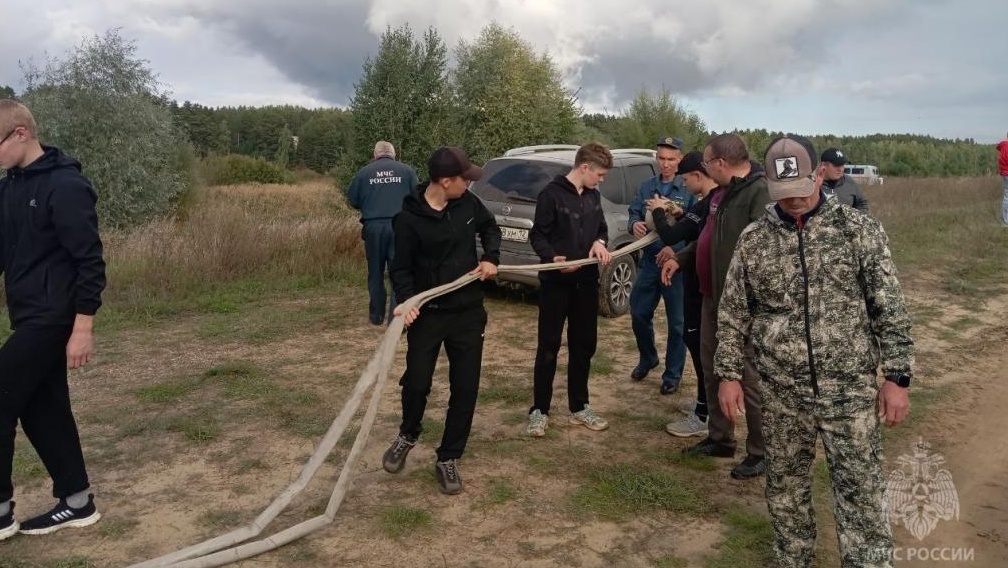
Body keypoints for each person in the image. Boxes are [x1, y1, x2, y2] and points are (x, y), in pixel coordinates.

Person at [715, 135, 914, 567]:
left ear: (819, 175)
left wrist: (897, 378)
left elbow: (889, 307)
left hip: (849, 393)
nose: (795, 202)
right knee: (786, 492)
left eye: (802, 190)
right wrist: (728, 374)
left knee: (861, 493)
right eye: (783, 195)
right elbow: (733, 313)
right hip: (782, 395)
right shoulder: (754, 240)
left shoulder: (858, 230)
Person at [0, 100, 105, 539]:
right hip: (27, 315)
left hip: (54, 316)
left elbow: (90, 262)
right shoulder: (7, 188)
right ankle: (77, 502)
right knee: (44, 409)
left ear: (20, 134)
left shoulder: (66, 186)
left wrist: (83, 328)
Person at [381, 147, 500, 496]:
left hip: (467, 311)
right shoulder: (408, 219)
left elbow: (490, 227)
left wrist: (491, 257)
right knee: (416, 382)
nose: (469, 184)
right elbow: (400, 268)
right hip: (429, 313)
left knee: (466, 387)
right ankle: (408, 434)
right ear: (445, 181)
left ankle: (449, 457)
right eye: (465, 179)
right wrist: (406, 301)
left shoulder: (467, 204)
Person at [660, 133, 768, 480]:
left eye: (706, 163)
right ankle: (720, 438)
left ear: (720, 164)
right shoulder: (720, 194)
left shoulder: (758, 193)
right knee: (711, 367)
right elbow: (708, 239)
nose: (703, 169)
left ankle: (761, 450)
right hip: (712, 296)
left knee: (747, 377)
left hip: (742, 304)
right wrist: (681, 257)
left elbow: (765, 253)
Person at [524, 142, 613, 437]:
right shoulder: (551, 194)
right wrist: (551, 258)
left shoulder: (593, 197)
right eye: (599, 174)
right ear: (584, 167)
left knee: (583, 345)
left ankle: (579, 406)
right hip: (555, 285)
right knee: (548, 347)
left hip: (586, 284)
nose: (601, 180)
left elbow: (602, 229)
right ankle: (540, 410)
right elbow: (538, 234)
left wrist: (599, 242)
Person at [648, 151, 716, 437]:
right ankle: (705, 403)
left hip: (701, 286)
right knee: (695, 340)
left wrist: (657, 210)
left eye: (686, 179)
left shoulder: (710, 203)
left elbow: (672, 237)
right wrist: (678, 213)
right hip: (696, 280)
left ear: (698, 176)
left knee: (698, 343)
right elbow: (694, 229)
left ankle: (703, 414)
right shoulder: (707, 203)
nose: (685, 185)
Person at [627, 136, 696, 395]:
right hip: (649, 261)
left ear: (679, 159)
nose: (666, 164)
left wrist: (675, 249)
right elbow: (633, 211)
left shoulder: (688, 188)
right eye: (661, 159)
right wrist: (634, 223)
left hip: (676, 265)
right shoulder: (647, 186)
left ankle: (672, 374)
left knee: (677, 323)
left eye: (671, 159)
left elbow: (694, 227)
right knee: (638, 313)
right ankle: (648, 358)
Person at [347, 141, 419, 325]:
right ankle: (397, 318)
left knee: (375, 271)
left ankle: (376, 315)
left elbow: (353, 199)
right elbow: (417, 198)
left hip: (373, 227)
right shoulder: (406, 171)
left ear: (375, 154)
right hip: (399, 226)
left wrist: (370, 205)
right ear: (394, 155)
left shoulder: (364, 173)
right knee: (399, 271)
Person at [819, 147, 869, 212]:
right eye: (836, 165)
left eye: (842, 165)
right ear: (823, 165)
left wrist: (855, 219)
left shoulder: (850, 182)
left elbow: (862, 203)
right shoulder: (813, 185)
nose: (840, 169)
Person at [998, 132, 1008, 226]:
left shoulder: (1003, 145)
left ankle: (1005, 221)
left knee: (1006, 196)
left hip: (1004, 173)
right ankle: (1005, 221)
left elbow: (998, 147)